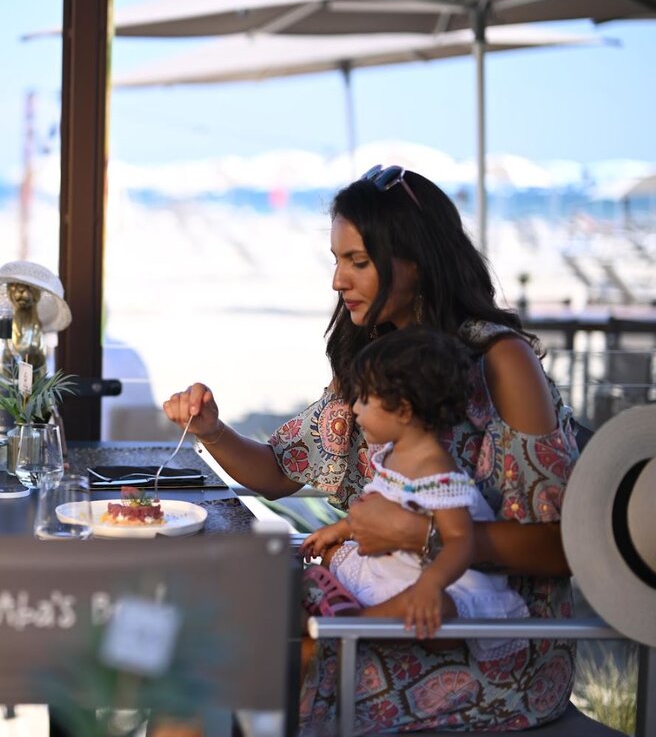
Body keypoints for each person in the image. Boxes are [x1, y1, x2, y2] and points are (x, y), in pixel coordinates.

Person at [163, 165, 579, 732]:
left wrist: (416, 535)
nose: (338, 281)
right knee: (195, 641)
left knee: (250, 669)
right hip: (382, 604)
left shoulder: (501, 364)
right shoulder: (377, 361)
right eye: (336, 260)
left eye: (357, 262)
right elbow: (278, 470)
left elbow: (565, 548)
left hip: (493, 646)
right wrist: (211, 430)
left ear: (418, 262)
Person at [300, 327, 529, 662]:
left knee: (425, 605)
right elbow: (379, 503)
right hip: (401, 566)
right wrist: (337, 531)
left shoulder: (436, 470)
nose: (354, 409)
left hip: (447, 581)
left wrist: (431, 585)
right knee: (335, 552)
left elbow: (460, 542)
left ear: (404, 410)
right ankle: (352, 605)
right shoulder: (393, 453)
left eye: (365, 399)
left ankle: (356, 624)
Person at [0, 260, 73, 382]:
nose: (20, 292)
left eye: (27, 288)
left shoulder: (36, 330)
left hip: (32, 387)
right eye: (13, 288)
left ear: (36, 294)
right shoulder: (10, 330)